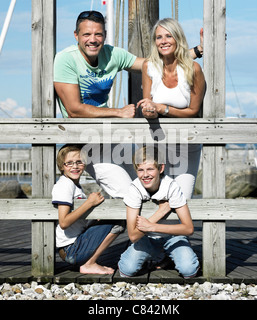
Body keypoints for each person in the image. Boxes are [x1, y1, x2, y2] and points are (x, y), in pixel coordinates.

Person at [53, 11, 203, 198]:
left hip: (111, 135)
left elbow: (155, 63)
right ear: (76, 35)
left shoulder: (113, 54)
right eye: (86, 34)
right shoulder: (66, 59)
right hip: (86, 140)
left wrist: (196, 51)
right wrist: (118, 112)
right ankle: (115, 227)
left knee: (145, 187)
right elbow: (74, 110)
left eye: (98, 34)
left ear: (105, 35)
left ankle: (122, 226)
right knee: (128, 194)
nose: (93, 39)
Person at [137, 18, 206, 199]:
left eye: (169, 36)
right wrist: (148, 111)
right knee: (155, 197)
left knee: (182, 197)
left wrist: (162, 108)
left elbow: (193, 111)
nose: (163, 41)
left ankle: (177, 228)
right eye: (159, 37)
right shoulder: (149, 66)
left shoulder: (193, 69)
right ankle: (152, 227)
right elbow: (147, 103)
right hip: (157, 142)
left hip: (186, 143)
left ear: (178, 39)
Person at [118, 146, 199, 278]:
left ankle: (168, 255)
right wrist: (160, 212)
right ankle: (159, 255)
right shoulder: (134, 188)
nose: (145, 175)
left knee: (189, 270)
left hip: (173, 237)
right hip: (147, 238)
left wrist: (152, 226)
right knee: (126, 270)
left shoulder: (171, 186)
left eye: (150, 169)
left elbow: (189, 228)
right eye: (140, 170)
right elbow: (133, 236)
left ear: (161, 168)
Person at [52, 144, 124, 274]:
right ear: (62, 166)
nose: (75, 166)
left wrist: (92, 219)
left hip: (74, 246)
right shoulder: (64, 185)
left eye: (79, 162)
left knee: (113, 218)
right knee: (118, 222)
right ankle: (89, 264)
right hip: (71, 249)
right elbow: (64, 222)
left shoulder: (74, 185)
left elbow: (77, 220)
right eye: (69, 163)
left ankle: (87, 262)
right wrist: (89, 203)